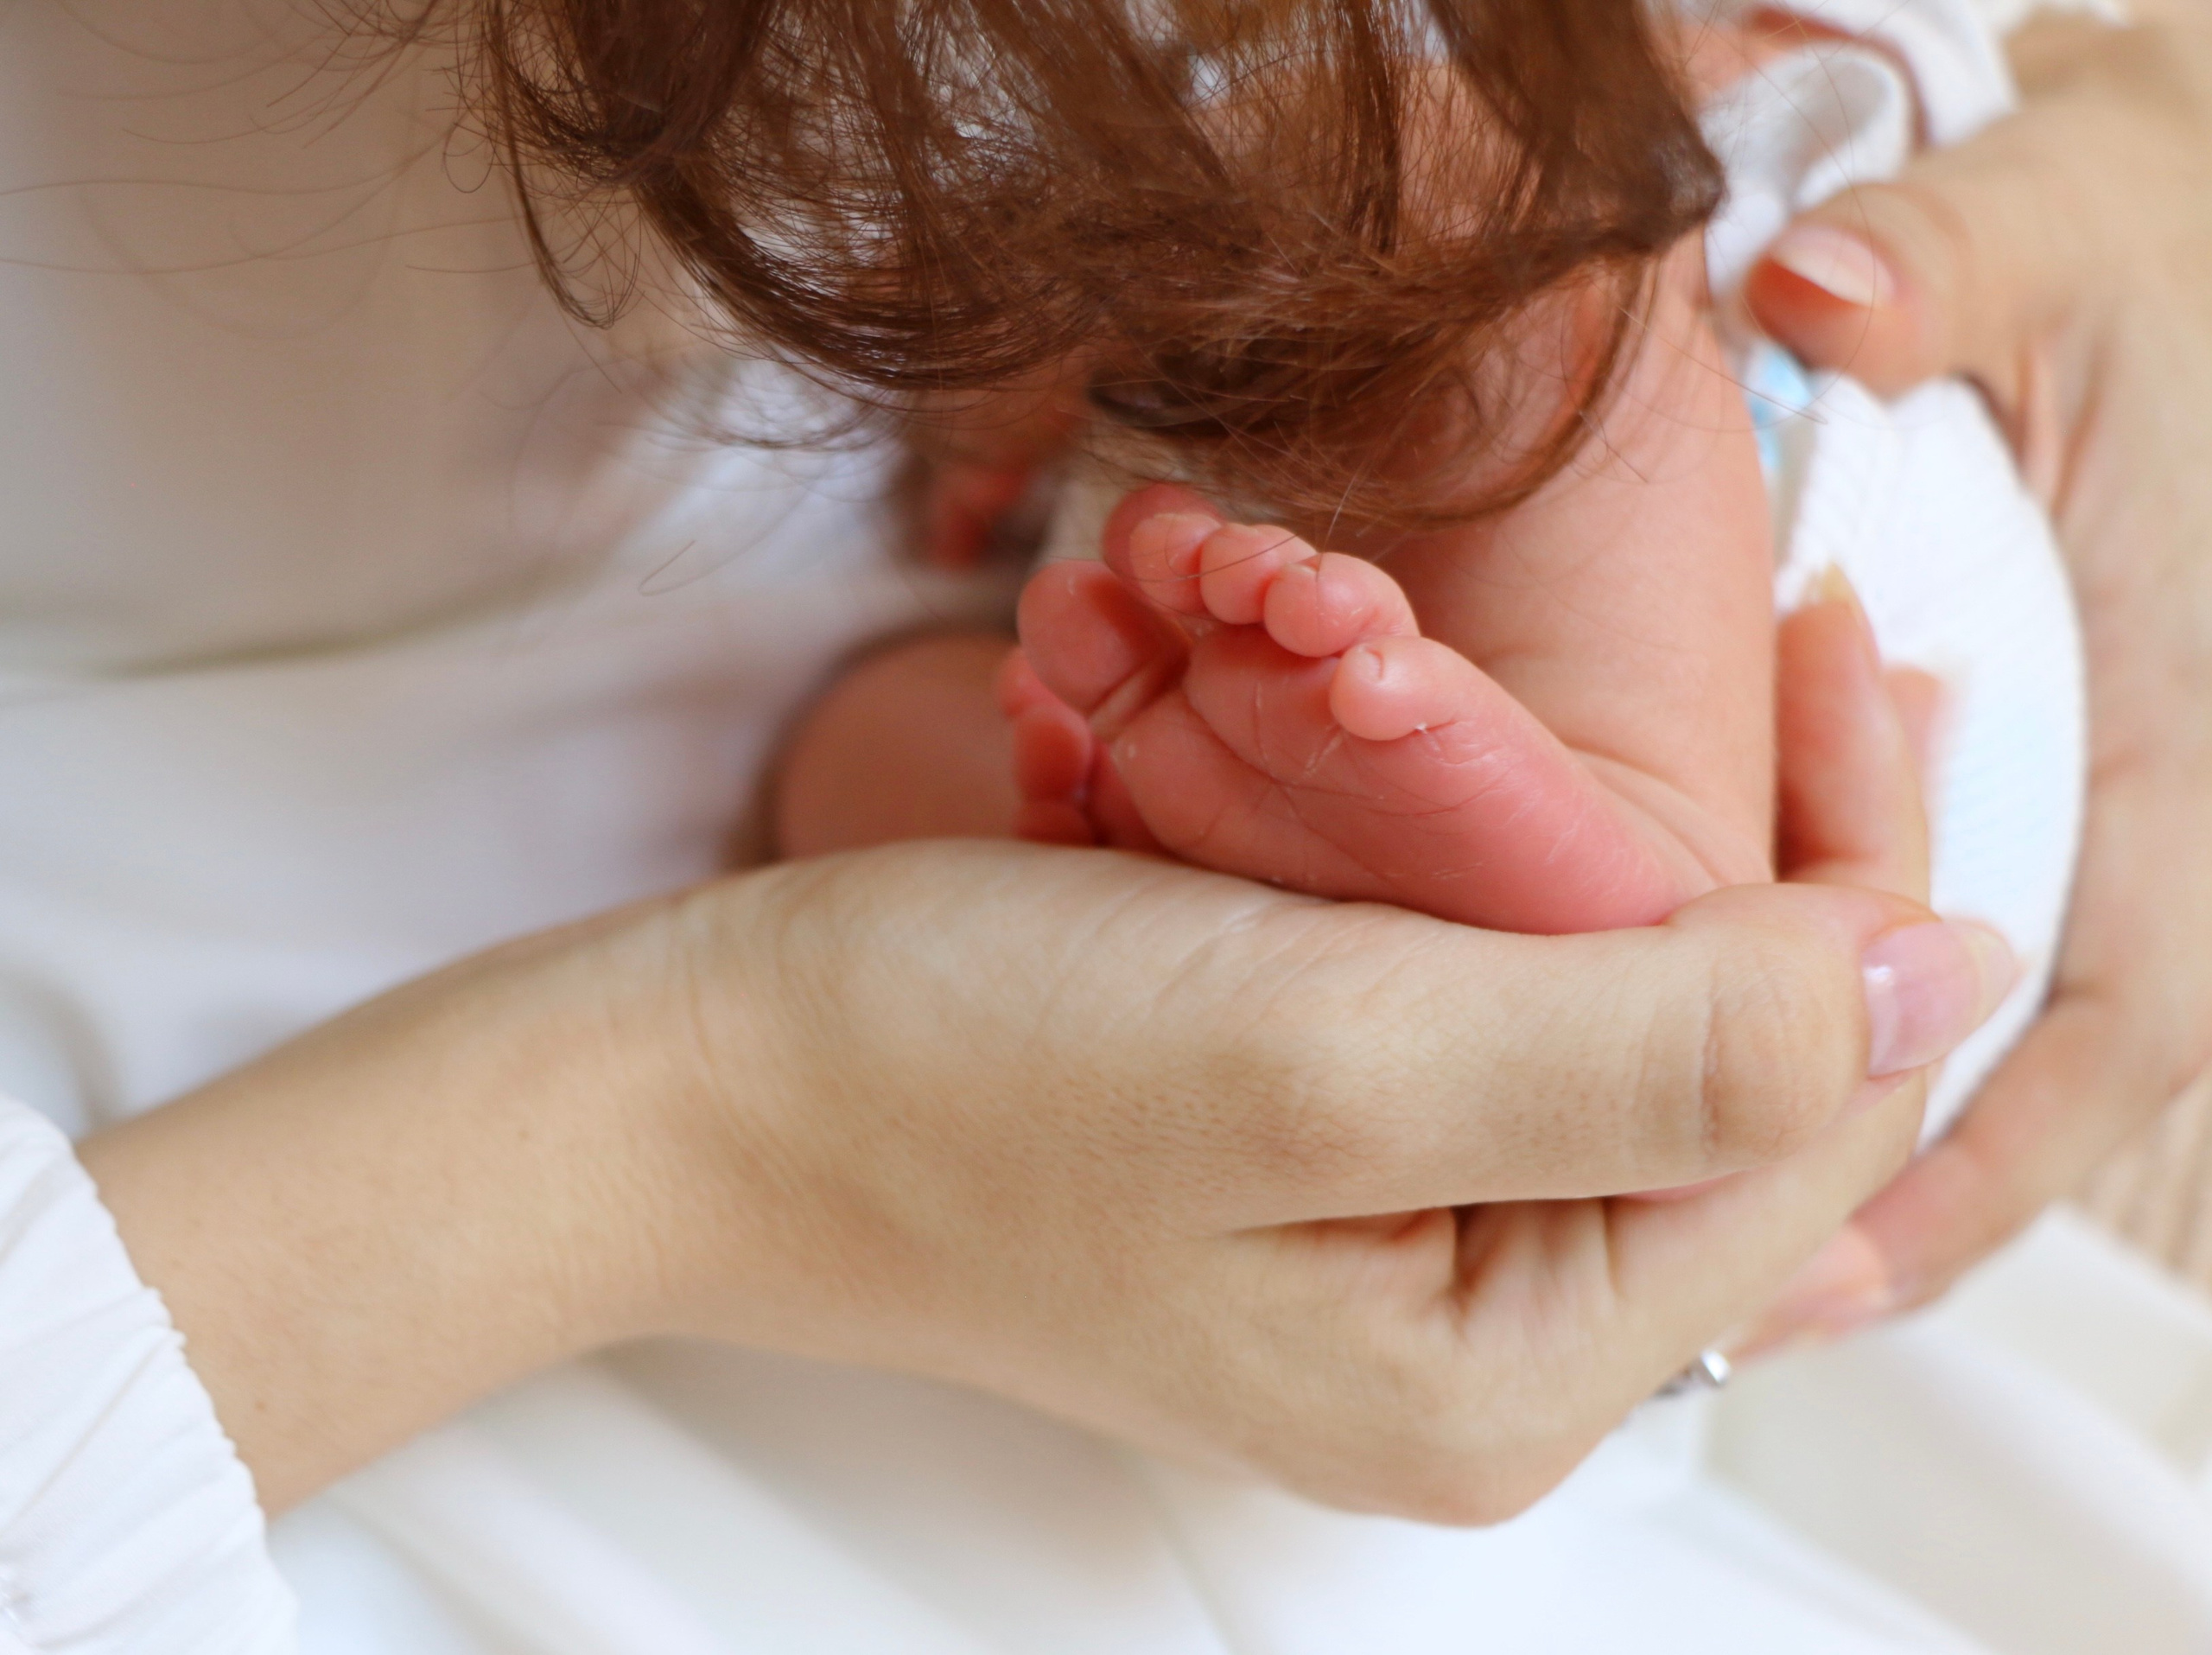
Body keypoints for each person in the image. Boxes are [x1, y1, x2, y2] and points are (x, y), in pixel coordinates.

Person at [0, 4, 2203, 1653]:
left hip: (1827, 517)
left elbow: (1506, 132)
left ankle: (1585, 847)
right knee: (915, 767)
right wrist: (728, 1103)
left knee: (1508, 286)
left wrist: (2144, 139)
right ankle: (1533, 874)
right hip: (859, 930)